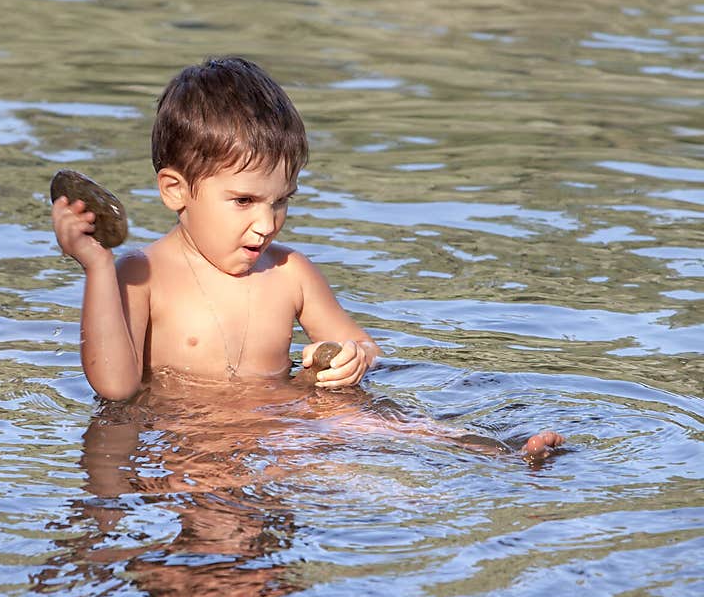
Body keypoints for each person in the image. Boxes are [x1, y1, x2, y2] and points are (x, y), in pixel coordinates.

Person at [52, 56, 564, 459]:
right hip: (188, 436)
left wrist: (353, 357)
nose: (267, 222)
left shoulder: (290, 272)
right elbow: (116, 389)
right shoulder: (141, 275)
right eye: (244, 201)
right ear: (175, 190)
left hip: (284, 421)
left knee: (394, 430)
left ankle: (495, 455)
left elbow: (354, 339)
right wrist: (97, 268)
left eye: (282, 201)